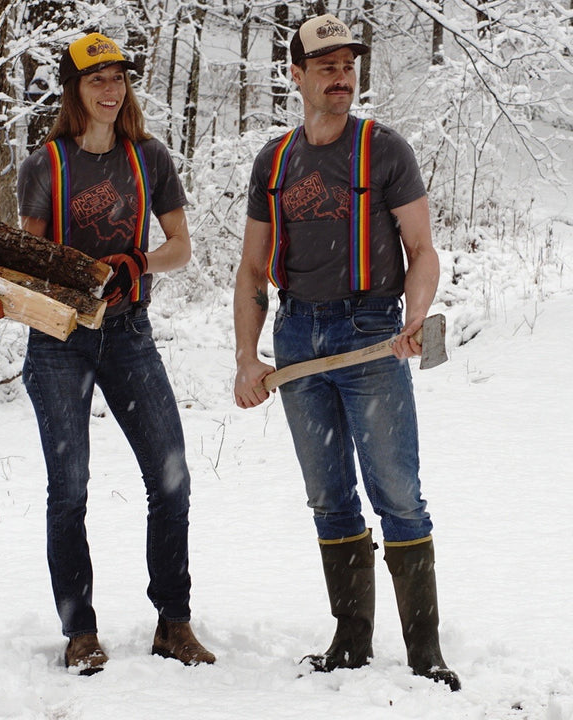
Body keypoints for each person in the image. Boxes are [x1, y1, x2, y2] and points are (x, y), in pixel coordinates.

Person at [233, 14, 460, 690]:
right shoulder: (273, 162)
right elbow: (250, 270)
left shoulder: (383, 150)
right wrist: (249, 358)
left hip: (370, 332)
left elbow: (421, 251)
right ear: (296, 75)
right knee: (328, 497)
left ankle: (425, 653)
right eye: (325, 64)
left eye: (348, 64)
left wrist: (415, 316)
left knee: (398, 494)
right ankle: (351, 640)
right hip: (298, 337)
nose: (341, 76)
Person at [11, 31, 215, 675]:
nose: (110, 88)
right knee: (69, 491)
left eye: (118, 77)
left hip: (129, 335)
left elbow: (181, 247)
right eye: (96, 78)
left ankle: (173, 623)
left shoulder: (147, 157)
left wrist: (139, 261)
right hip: (59, 341)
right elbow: (28, 263)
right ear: (74, 89)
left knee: (171, 479)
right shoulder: (44, 164)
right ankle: (80, 632)